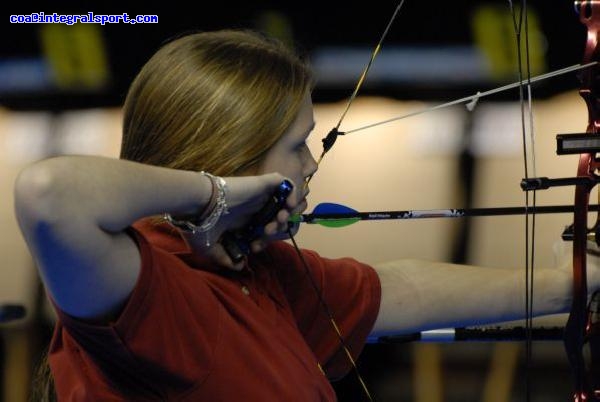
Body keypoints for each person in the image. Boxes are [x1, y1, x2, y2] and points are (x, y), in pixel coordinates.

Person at [13, 29, 600, 401]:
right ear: (233, 154)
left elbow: (395, 289)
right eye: (297, 143)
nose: (312, 163)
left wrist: (568, 283)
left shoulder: (257, 274)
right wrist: (215, 195)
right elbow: (50, 193)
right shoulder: (151, 283)